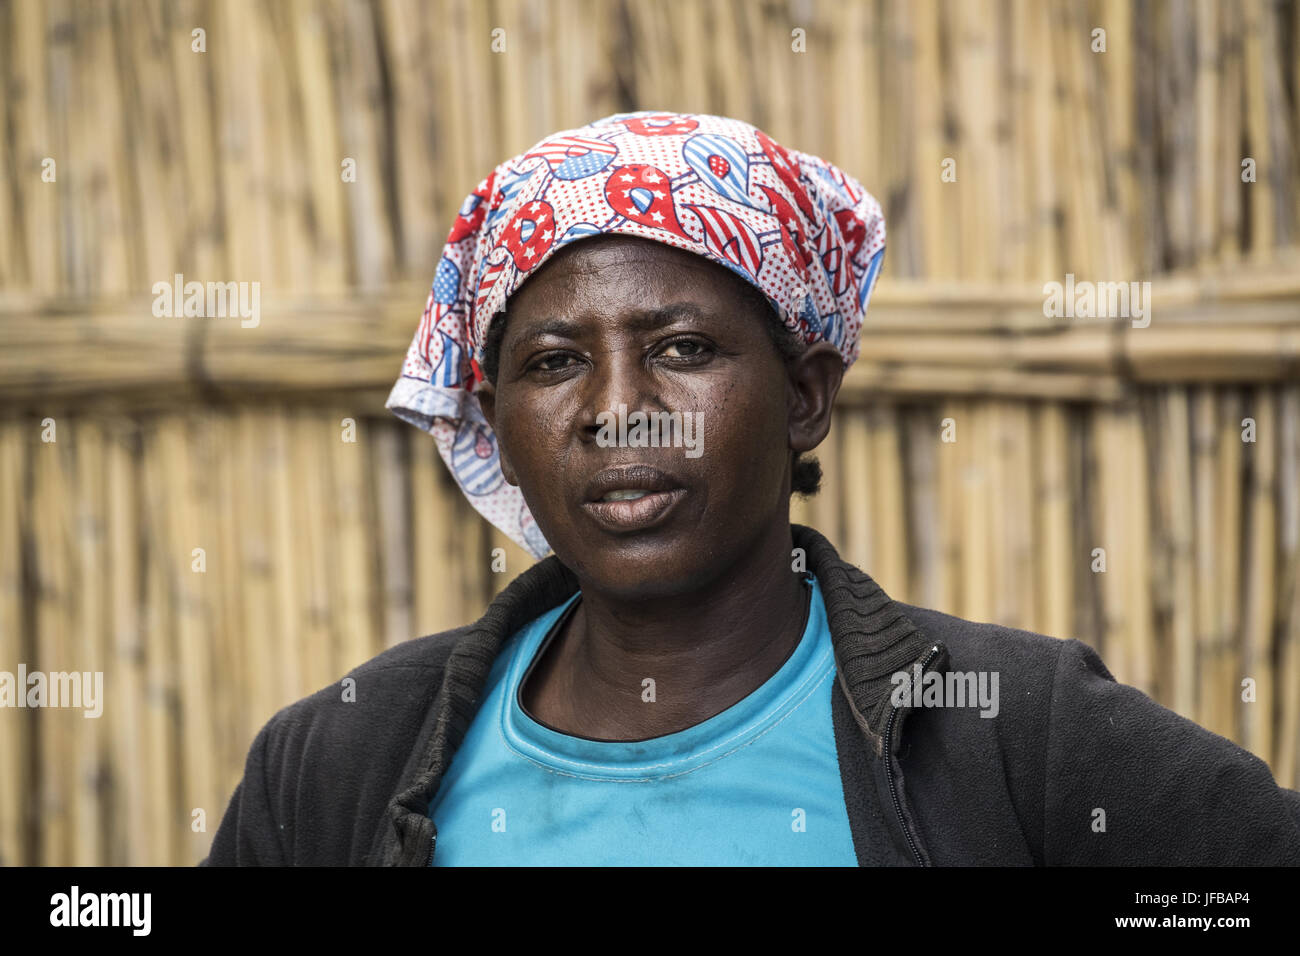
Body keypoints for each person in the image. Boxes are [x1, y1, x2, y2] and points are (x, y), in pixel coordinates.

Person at [205, 111, 1300, 866]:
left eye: (681, 347)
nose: (615, 406)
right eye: (551, 361)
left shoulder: (1016, 732)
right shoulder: (339, 759)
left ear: (805, 396)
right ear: (493, 419)